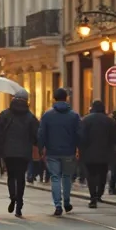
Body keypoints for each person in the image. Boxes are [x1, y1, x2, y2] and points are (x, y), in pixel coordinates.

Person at [0, 89, 40, 217]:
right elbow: (37, 134)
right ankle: (19, 203)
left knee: (11, 176)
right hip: (24, 152)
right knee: (20, 178)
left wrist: (1, 143)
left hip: (8, 151)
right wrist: (35, 144)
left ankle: (13, 196)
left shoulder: (5, 114)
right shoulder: (30, 116)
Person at [38, 88, 81, 216]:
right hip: (69, 151)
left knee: (55, 177)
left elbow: (41, 134)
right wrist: (78, 147)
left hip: (52, 152)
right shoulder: (74, 115)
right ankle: (66, 202)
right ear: (66, 98)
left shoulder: (47, 115)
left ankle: (58, 205)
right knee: (67, 177)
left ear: (54, 99)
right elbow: (79, 134)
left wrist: (41, 148)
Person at [79, 100, 116, 208]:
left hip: (89, 153)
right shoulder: (110, 121)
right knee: (103, 173)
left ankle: (93, 196)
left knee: (91, 175)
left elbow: (81, 137)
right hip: (105, 153)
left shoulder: (85, 120)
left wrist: (80, 149)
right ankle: (99, 194)